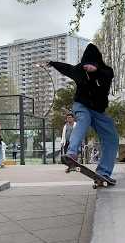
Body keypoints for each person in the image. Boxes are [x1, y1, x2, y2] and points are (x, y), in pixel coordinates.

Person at [46, 43, 118, 182]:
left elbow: (102, 79)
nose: (86, 68)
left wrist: (94, 74)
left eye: (90, 65)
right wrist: (53, 63)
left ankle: (104, 172)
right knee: (83, 119)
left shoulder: (106, 72)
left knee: (112, 138)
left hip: (98, 111)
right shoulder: (79, 70)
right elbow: (67, 68)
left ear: (97, 63)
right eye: (85, 65)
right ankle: (72, 153)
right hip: (81, 105)